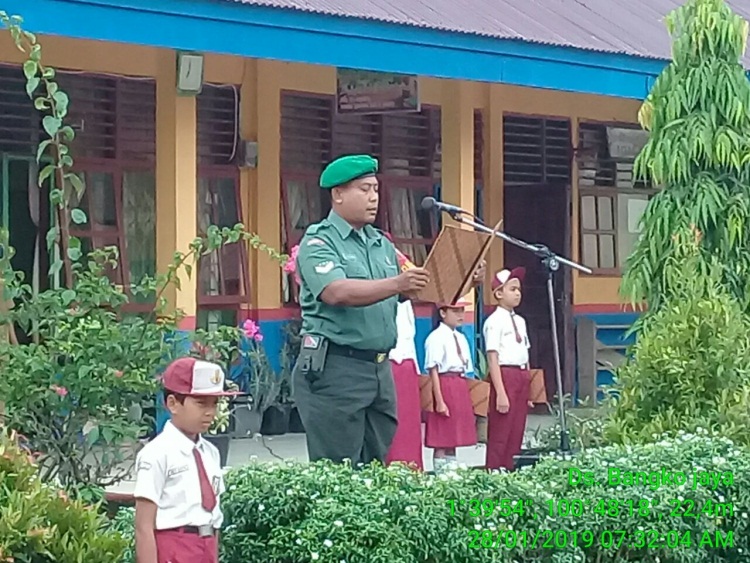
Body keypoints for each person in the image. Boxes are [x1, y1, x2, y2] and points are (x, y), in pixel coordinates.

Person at [293, 154, 430, 466]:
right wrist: (397, 283)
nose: (374, 198)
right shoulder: (319, 241)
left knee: (374, 470)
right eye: (364, 189)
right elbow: (336, 291)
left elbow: (408, 289)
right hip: (336, 369)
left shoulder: (380, 243)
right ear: (338, 194)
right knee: (338, 473)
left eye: (376, 190)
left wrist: (461, 275)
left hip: (378, 370)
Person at [134, 357, 241, 563]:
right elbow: (143, 526)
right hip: (173, 548)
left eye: (215, 403)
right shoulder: (157, 453)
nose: (210, 412)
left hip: (206, 545)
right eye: (201, 403)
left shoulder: (211, 452)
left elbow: (213, 514)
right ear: (173, 403)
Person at [483, 267, 532, 471]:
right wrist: (501, 392)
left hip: (521, 375)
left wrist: (530, 388)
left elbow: (525, 353)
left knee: (517, 427)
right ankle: (494, 469)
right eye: (512, 289)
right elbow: (493, 358)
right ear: (499, 293)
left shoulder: (520, 321)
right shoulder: (494, 322)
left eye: (519, 289)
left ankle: (510, 467)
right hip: (505, 375)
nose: (518, 293)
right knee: (501, 428)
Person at [423, 298, 477, 473]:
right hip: (444, 383)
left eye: (462, 310)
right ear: (443, 313)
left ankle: (452, 468)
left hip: (459, 383)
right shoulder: (436, 338)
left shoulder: (461, 338)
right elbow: (433, 370)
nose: (460, 315)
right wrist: (439, 400)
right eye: (455, 311)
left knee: (454, 434)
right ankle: (440, 470)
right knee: (442, 434)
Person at [383, 238, 424, 470]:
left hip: (407, 364)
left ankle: (413, 469)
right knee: (393, 426)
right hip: (389, 362)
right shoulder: (380, 292)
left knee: (410, 424)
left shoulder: (406, 302)